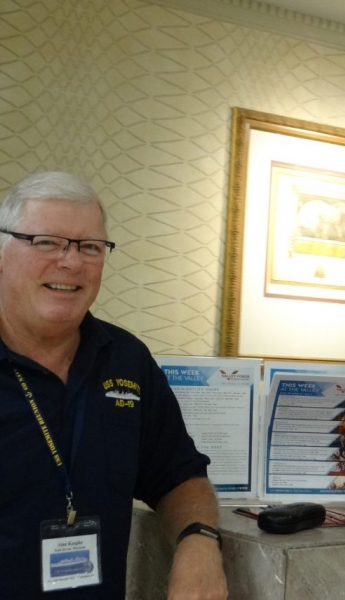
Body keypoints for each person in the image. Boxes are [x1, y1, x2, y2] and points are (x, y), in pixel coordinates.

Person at [0, 172, 228, 599]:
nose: (71, 262)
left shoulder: (126, 359)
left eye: (89, 246)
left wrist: (198, 539)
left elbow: (178, 475)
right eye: (46, 242)